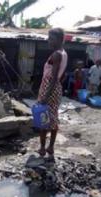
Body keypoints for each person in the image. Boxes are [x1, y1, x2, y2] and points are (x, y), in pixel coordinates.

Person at [37, 28, 68, 159]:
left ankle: (43, 148)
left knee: (43, 120)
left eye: (51, 38)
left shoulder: (56, 55)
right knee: (53, 119)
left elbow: (54, 78)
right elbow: (61, 75)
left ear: (60, 39)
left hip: (49, 88)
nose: (49, 41)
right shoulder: (64, 53)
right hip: (55, 89)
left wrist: (45, 96)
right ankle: (51, 148)